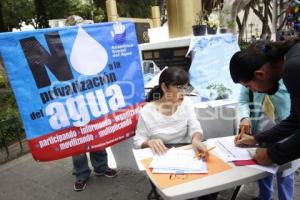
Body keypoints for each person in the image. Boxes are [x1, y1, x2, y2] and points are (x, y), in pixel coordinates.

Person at [134, 67, 218, 200]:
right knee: (179, 192)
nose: (183, 93)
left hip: (188, 153)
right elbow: (138, 140)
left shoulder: (187, 103)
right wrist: (149, 142)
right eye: (178, 88)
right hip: (163, 158)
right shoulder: (147, 111)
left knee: (208, 188)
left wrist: (196, 140)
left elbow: (195, 127)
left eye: (185, 88)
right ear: (164, 87)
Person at [229, 38, 300, 166]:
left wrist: (271, 155)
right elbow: (295, 120)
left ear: (260, 75)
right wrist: (257, 138)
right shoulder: (290, 58)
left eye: (249, 86)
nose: (254, 91)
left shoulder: (293, 68)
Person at [238, 84, 295, 200]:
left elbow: (293, 119)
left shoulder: (289, 77)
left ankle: (286, 198)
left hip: (287, 133)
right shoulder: (250, 75)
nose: (253, 89)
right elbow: (243, 100)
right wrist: (245, 117)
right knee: (263, 167)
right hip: (261, 131)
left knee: (286, 172)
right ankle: (264, 196)